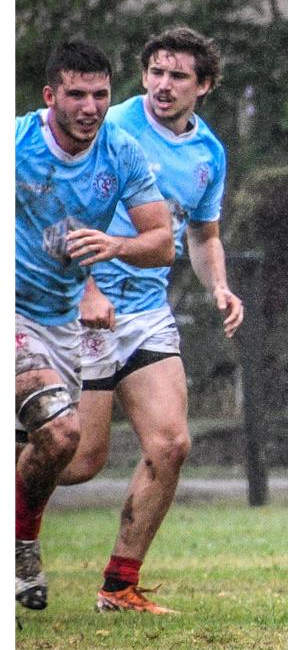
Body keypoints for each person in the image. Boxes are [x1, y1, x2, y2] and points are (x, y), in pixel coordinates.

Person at [54, 27, 242, 614]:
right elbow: (53, 210)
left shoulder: (208, 152)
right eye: (156, 71)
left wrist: (220, 286)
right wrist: (86, 287)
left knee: (171, 443)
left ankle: (119, 587)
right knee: (81, 461)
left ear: (203, 86)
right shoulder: (106, 127)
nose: (163, 84)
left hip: (146, 312)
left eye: (178, 75)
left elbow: (203, 234)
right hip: (80, 307)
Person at [16, 39, 174, 611]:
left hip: (62, 322)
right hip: (13, 311)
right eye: (76, 94)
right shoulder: (17, 145)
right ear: (50, 96)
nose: (90, 106)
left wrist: (114, 246)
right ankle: (24, 547)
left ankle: (25, 536)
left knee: (65, 452)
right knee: (61, 433)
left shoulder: (122, 151)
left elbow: (163, 243)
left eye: (100, 94)